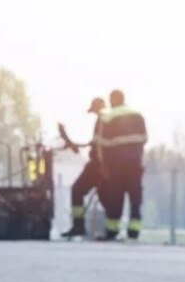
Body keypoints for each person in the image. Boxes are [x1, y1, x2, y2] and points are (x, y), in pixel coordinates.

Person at [95, 89, 147, 240]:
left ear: (112, 100)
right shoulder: (137, 115)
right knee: (135, 197)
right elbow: (143, 138)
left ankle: (112, 230)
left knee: (114, 198)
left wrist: (103, 165)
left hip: (115, 165)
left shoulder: (107, 117)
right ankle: (134, 231)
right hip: (135, 164)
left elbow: (101, 144)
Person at [60, 97, 106, 238]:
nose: (94, 113)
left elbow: (99, 144)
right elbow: (95, 142)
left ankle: (79, 226)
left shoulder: (103, 120)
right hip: (103, 163)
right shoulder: (105, 120)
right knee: (105, 196)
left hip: (98, 164)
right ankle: (108, 230)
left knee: (77, 190)